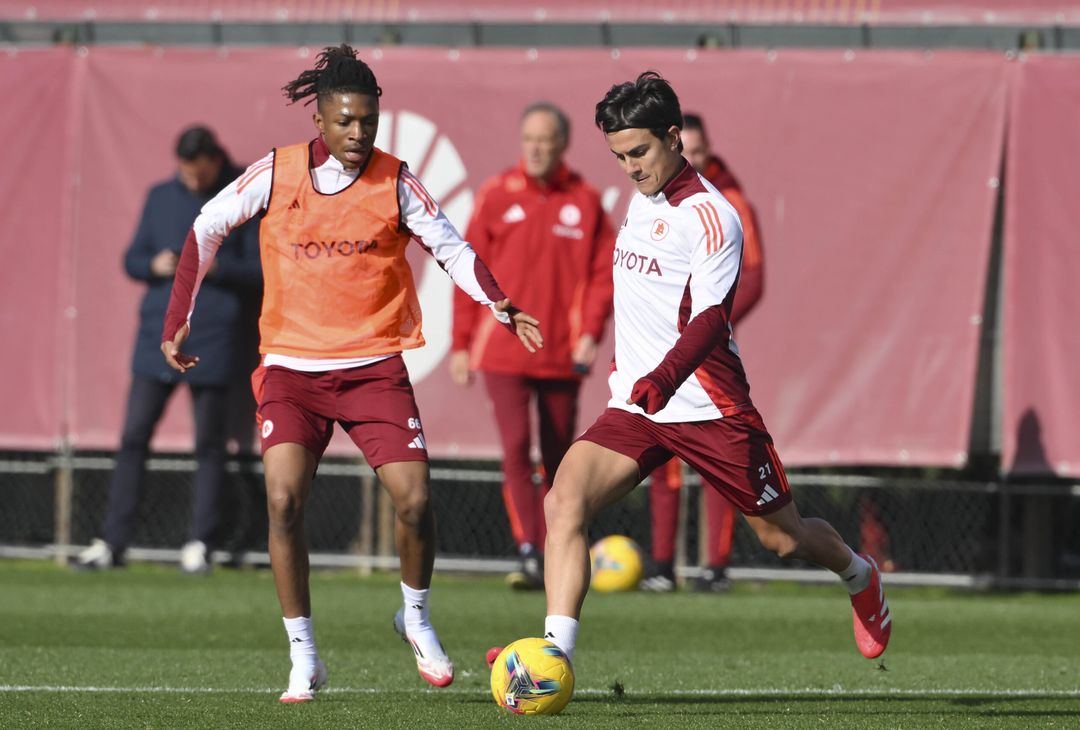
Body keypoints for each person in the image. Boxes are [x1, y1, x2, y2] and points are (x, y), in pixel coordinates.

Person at [159, 45, 543, 703]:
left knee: (415, 501)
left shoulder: (395, 180)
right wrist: (178, 317)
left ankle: (414, 617)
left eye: (369, 121)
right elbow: (207, 225)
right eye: (345, 121)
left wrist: (499, 304)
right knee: (284, 502)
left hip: (372, 369)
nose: (359, 133)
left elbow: (452, 248)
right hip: (291, 369)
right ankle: (304, 655)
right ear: (319, 119)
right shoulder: (277, 172)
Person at [527, 72, 891, 673]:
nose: (631, 168)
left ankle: (859, 575)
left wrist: (665, 377)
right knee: (563, 503)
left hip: (707, 405)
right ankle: (553, 657)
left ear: (674, 138)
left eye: (639, 152)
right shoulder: (638, 200)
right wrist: (637, 379)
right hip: (638, 406)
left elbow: (711, 318)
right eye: (619, 157)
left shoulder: (713, 215)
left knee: (782, 538)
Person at [74, 126, 262, 575]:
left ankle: (200, 543)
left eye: (200, 171)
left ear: (215, 161)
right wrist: (153, 264)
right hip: (158, 337)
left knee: (210, 444)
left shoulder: (242, 194)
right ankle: (113, 542)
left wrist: (218, 269)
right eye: (185, 171)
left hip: (216, 337)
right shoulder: (160, 196)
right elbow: (131, 259)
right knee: (134, 437)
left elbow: (261, 270)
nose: (192, 179)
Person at [450, 102, 615, 591]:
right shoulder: (497, 193)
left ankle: (556, 548)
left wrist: (590, 333)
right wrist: (461, 343)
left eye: (545, 140)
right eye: (529, 140)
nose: (536, 149)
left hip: (561, 352)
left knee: (561, 457)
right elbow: (466, 270)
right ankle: (528, 549)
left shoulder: (585, 200)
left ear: (563, 144)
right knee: (517, 448)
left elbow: (603, 276)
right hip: (503, 352)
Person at [640, 112, 766, 593]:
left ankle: (716, 566)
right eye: (685, 149)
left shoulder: (728, 203)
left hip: (706, 353)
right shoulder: (652, 200)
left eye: (699, 150)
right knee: (662, 455)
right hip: (661, 349)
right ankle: (662, 566)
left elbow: (753, 278)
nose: (691, 158)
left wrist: (709, 326)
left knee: (721, 458)